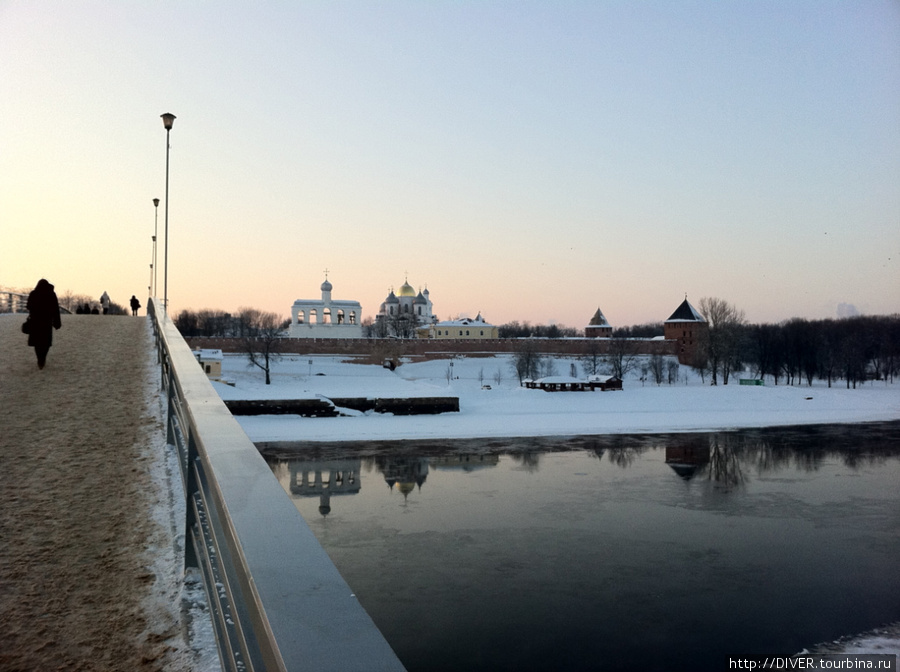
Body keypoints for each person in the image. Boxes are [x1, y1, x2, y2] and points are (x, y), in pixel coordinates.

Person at [26, 278, 62, 369]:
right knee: (46, 342)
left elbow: (28, 306)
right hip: (47, 321)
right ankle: (43, 358)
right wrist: (57, 322)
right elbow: (55, 309)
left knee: (37, 342)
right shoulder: (51, 294)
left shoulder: (33, 293)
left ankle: (39, 359)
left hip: (35, 321)